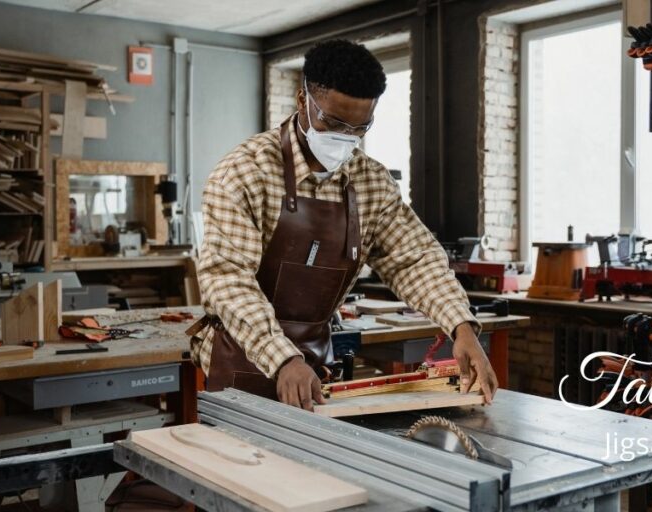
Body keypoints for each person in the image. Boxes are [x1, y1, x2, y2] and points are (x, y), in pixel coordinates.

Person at [189, 39, 497, 411]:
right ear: (303, 100)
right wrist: (283, 359)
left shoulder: (370, 182)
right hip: (243, 361)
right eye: (333, 123)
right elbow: (228, 282)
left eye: (359, 128)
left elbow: (414, 259)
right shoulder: (244, 173)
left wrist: (461, 326)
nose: (345, 138)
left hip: (316, 363)